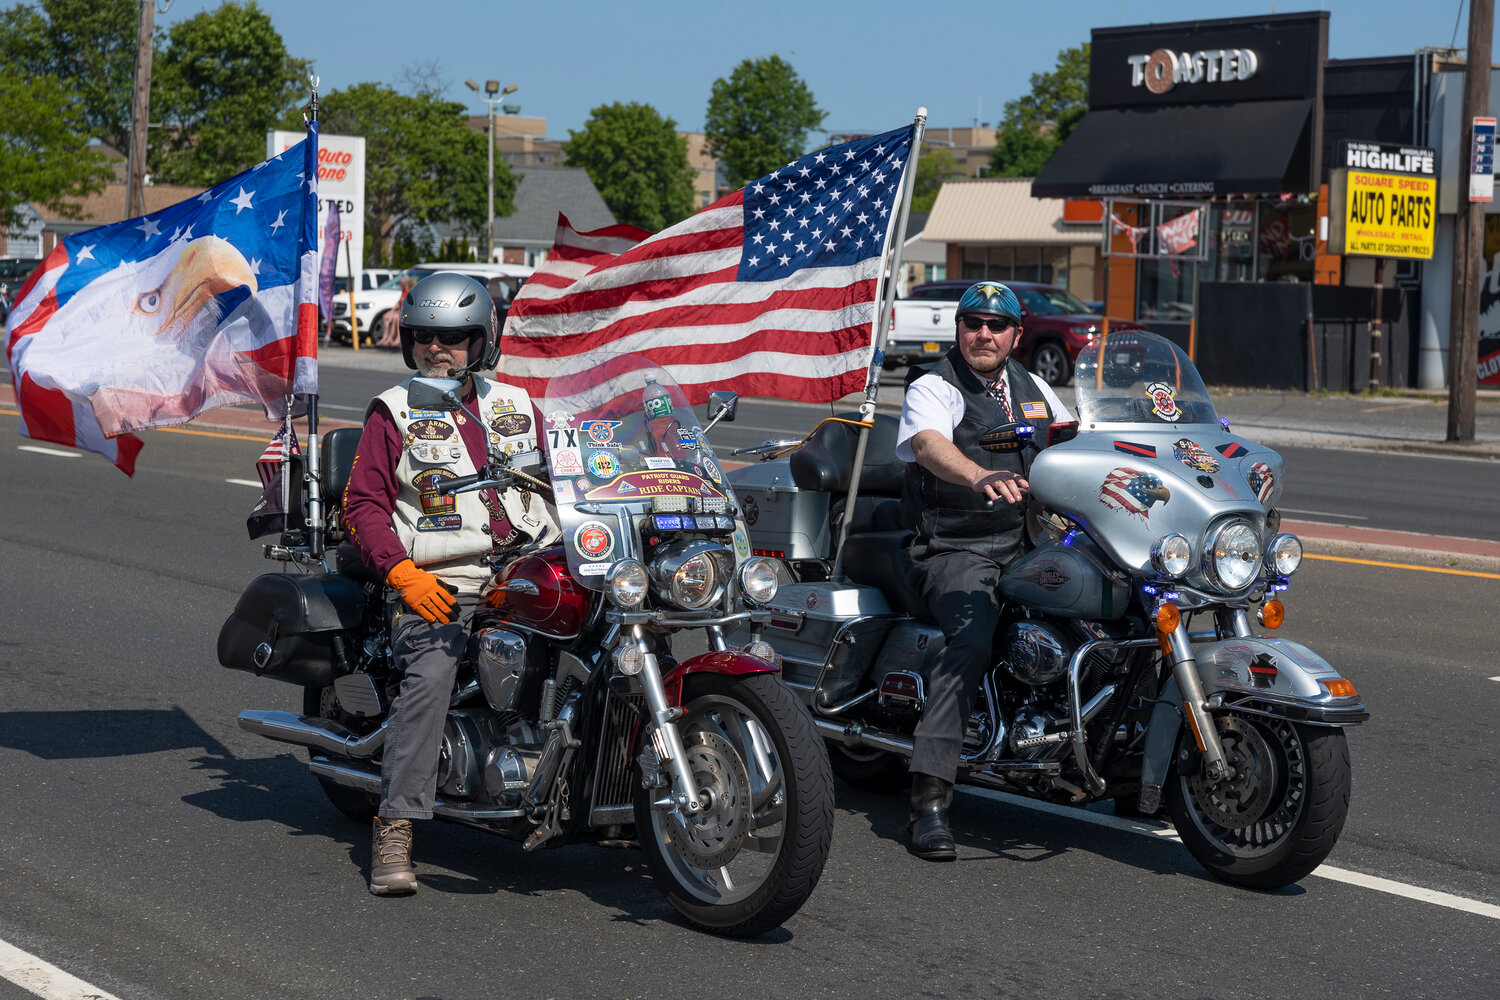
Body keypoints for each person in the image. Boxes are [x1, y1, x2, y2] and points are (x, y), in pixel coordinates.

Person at [341, 271, 559, 894]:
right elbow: (363, 506)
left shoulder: (518, 405)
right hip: (441, 580)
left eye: (455, 338)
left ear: (481, 342)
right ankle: (397, 825)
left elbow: (564, 478)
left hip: (527, 572)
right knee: (433, 673)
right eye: (425, 337)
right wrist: (402, 573)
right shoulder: (395, 410)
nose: (438, 349)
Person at [894, 280, 1073, 861]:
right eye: (974, 323)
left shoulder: (1036, 387)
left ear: (1017, 335)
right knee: (971, 638)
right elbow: (926, 447)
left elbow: (1080, 446)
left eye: (997, 326)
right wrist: (976, 475)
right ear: (959, 328)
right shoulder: (934, 385)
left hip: (1029, 545)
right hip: (954, 548)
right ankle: (929, 801)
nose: (984, 334)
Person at [376, 275, 415, 348]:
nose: (400, 285)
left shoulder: (409, 292)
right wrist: (391, 311)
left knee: (396, 318)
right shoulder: (403, 291)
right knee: (385, 316)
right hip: (399, 311)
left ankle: (395, 339)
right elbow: (399, 303)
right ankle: (385, 337)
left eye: (401, 283)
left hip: (404, 313)